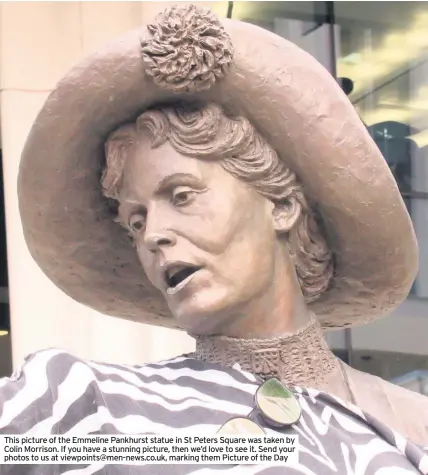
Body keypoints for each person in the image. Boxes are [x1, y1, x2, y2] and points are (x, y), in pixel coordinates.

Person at [1, 4, 427, 474]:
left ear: (282, 205)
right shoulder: (85, 406)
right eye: (136, 222)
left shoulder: (411, 423)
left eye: (182, 196)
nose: (154, 236)